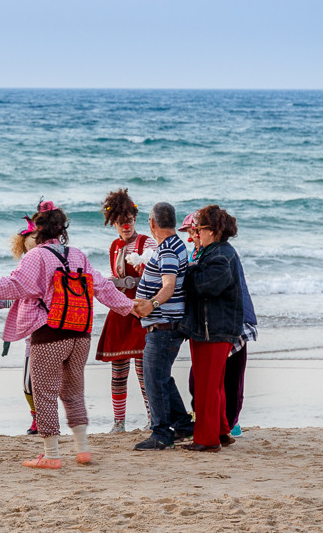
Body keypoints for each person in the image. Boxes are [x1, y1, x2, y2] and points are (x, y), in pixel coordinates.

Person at [0, 201, 135, 470]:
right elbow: (101, 286)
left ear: (38, 230)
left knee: (44, 393)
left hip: (49, 334)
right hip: (81, 332)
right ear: (61, 229)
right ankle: (83, 450)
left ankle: (51, 455)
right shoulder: (78, 254)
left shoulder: (36, 256)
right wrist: (131, 307)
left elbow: (16, 285)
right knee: (74, 392)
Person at [177, 204, 246, 452]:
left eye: (201, 229)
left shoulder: (219, 255)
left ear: (213, 231)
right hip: (213, 327)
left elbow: (205, 286)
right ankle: (221, 431)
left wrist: (186, 273)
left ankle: (207, 440)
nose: (197, 232)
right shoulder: (217, 252)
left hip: (214, 329)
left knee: (207, 385)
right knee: (213, 384)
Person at [131, 202, 194, 451]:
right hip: (167, 323)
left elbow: (168, 285)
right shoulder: (175, 245)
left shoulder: (167, 249)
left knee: (153, 378)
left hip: (164, 324)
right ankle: (182, 425)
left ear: (152, 223)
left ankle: (160, 433)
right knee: (162, 377)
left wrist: (151, 304)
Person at [96, 189, 156, 433]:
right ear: (115, 224)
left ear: (135, 219)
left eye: (129, 220)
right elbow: (117, 277)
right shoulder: (114, 246)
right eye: (121, 222)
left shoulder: (147, 243)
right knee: (118, 370)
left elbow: (156, 276)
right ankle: (118, 423)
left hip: (141, 310)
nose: (125, 225)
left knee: (144, 371)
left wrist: (142, 269)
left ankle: (153, 419)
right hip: (121, 310)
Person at [0, 215, 41, 434]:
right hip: (33, 335)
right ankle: (37, 418)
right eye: (29, 239)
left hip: (49, 332)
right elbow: (12, 296)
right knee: (29, 385)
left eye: (36, 238)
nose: (33, 242)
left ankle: (44, 420)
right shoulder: (25, 271)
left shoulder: (44, 265)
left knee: (39, 384)